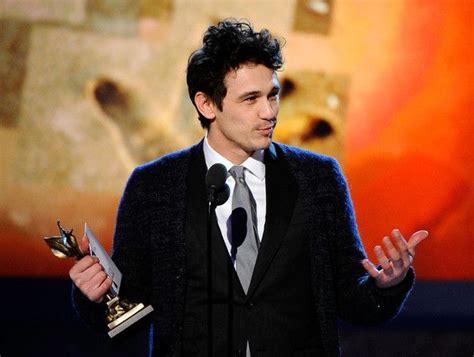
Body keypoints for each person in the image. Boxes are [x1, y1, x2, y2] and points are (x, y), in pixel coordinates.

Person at [70, 19, 428, 356]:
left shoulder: (318, 178)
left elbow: (352, 302)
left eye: (272, 96)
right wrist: (95, 297)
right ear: (207, 104)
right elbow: (128, 320)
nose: (269, 112)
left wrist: (387, 285)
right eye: (250, 99)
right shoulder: (154, 187)